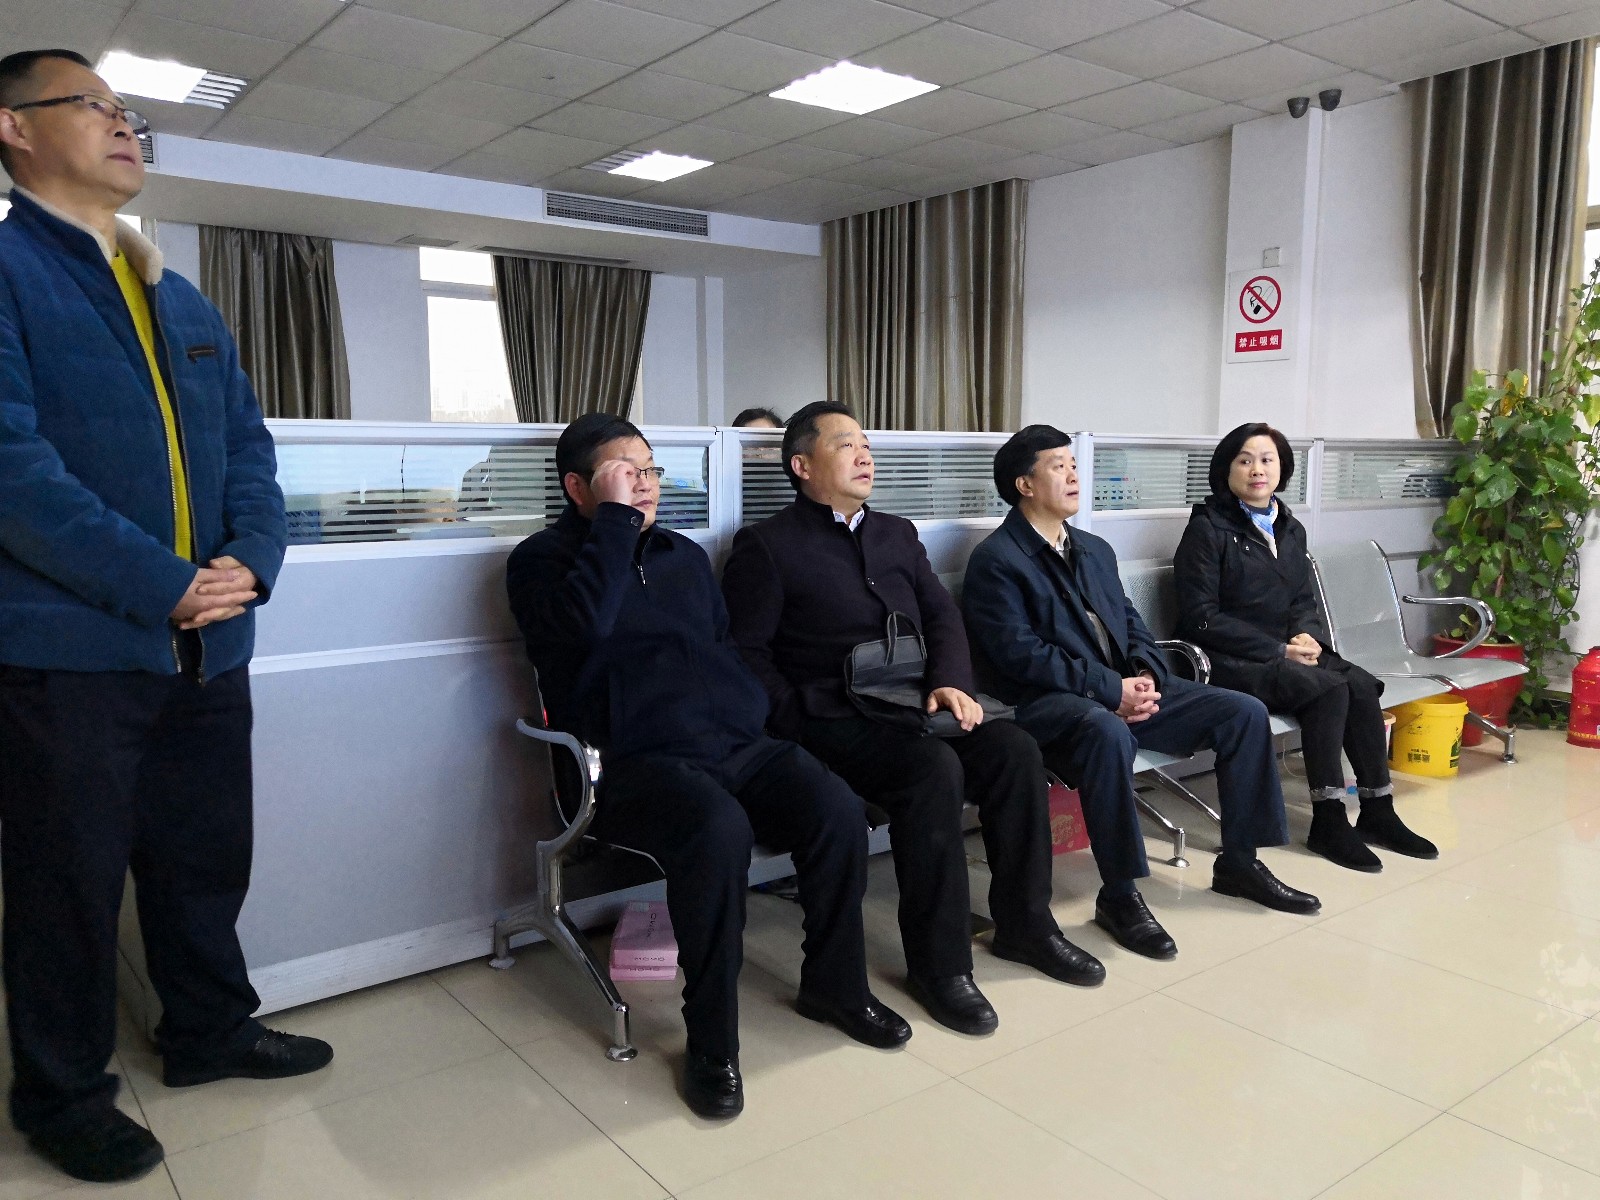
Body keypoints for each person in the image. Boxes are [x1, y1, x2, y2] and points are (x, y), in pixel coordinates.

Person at [0, 49, 332, 1185]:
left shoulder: (177, 294)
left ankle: (207, 1031)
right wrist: (160, 581)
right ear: (14, 128)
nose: (123, 124)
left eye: (126, 111)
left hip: (210, 646)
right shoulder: (9, 272)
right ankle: (61, 1096)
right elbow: (14, 472)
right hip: (73, 653)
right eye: (92, 104)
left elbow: (249, 449)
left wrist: (251, 560)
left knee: (203, 860)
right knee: (68, 887)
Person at [506, 413, 908, 1122]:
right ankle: (713, 1042)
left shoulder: (683, 557)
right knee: (718, 831)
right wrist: (614, 526)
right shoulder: (540, 562)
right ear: (578, 487)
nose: (643, 484)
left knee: (837, 809)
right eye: (623, 473)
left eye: (649, 470)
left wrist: (747, 713)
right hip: (632, 760)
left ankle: (834, 986)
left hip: (730, 743)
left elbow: (722, 651)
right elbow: (583, 631)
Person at [723, 402, 1107, 1041]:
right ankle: (941, 966)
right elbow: (747, 655)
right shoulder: (768, 546)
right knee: (931, 770)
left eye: (866, 445)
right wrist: (795, 715)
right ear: (802, 465)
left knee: (1013, 750)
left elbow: (940, 617)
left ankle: (1026, 926)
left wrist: (950, 681)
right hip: (832, 716)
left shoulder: (895, 533)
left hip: (914, 703)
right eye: (845, 445)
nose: (864, 456)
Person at [962, 426, 1322, 931]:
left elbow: (1131, 623)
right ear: (1024, 484)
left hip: (1122, 689)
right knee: (1106, 730)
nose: (1074, 475)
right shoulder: (997, 560)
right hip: (1049, 703)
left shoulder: (1093, 549)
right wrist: (1112, 691)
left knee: (1243, 712)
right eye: (1059, 467)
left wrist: (1146, 673)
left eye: (1074, 465)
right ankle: (1120, 893)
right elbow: (1020, 655)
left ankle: (1240, 863)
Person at [1173, 423, 1437, 869]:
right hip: (1230, 660)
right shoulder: (1207, 529)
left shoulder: (1289, 528)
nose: (1257, 470)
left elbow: (1301, 600)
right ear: (1226, 469)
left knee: (1359, 684)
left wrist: (1306, 635)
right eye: (1245, 460)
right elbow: (1201, 617)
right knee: (1328, 688)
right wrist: (1278, 650)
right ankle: (1328, 820)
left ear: (1282, 468)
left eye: (1267, 460)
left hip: (1287, 653)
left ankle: (1378, 810)